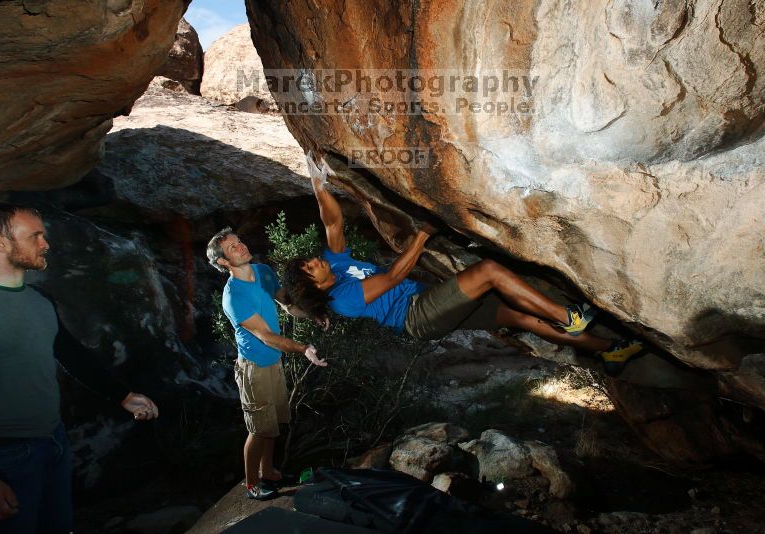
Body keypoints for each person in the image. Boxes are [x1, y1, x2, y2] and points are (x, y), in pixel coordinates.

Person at [283, 153, 644, 374]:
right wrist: (423, 235)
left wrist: (319, 185)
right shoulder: (342, 298)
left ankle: (609, 352)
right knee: (488, 272)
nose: (316, 260)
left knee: (517, 317)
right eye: (310, 267)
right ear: (315, 285)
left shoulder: (334, 261)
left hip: (428, 301)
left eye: (311, 259)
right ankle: (570, 318)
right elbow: (394, 275)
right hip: (417, 316)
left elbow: (333, 222)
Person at [0, 203, 159, 534]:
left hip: (53, 442)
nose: (45, 243)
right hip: (2, 457)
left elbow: (70, 353)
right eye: (34, 236)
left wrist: (123, 396)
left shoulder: (39, 299)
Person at [206, 227, 327, 500]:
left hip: (274, 362)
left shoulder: (263, 272)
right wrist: (303, 348)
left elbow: (287, 304)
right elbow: (266, 336)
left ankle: (269, 471)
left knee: (274, 423)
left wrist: (314, 312)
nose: (241, 247)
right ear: (223, 262)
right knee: (258, 429)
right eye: (232, 248)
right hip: (254, 369)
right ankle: (251, 485)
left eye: (239, 242)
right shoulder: (234, 296)